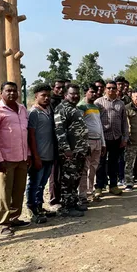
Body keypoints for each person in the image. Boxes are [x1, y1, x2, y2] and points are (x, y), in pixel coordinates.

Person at [0, 82, 30, 237]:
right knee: (5, 192)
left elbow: (25, 133)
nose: (12, 93)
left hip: (22, 158)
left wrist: (29, 154)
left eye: (14, 90)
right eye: (8, 91)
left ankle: (14, 218)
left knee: (19, 190)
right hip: (6, 159)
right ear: (1, 93)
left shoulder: (22, 109)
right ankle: (4, 223)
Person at [54, 84, 91, 217]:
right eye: (72, 94)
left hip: (79, 151)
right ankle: (66, 207)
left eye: (77, 93)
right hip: (70, 152)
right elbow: (59, 130)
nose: (75, 96)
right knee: (67, 179)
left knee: (75, 178)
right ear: (65, 95)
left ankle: (73, 202)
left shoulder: (74, 108)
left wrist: (85, 148)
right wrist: (66, 149)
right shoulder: (61, 109)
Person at [27, 84, 56, 224]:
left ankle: (39, 206)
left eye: (48, 95)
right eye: (43, 95)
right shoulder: (34, 113)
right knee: (34, 184)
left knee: (42, 184)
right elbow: (31, 135)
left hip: (49, 155)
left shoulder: (48, 110)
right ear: (36, 96)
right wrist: (35, 156)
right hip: (39, 156)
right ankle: (32, 210)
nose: (46, 98)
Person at [95, 81, 129, 197]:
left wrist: (125, 138)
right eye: (109, 88)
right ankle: (99, 187)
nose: (111, 90)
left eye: (113, 88)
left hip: (116, 138)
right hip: (103, 138)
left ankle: (113, 186)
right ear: (105, 89)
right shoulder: (98, 102)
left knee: (114, 163)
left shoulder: (121, 103)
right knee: (100, 163)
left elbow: (124, 122)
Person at [77, 84, 106, 204]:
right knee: (85, 168)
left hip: (98, 141)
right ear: (85, 93)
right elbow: (80, 127)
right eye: (91, 92)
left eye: (95, 92)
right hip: (88, 142)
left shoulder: (95, 107)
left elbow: (99, 125)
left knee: (93, 168)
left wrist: (103, 143)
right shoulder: (81, 106)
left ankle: (91, 191)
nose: (94, 94)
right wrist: (84, 143)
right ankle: (83, 195)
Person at [49, 78, 66, 207]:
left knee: (64, 172)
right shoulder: (50, 102)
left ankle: (64, 197)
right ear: (53, 88)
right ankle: (54, 199)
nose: (60, 90)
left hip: (65, 142)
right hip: (53, 142)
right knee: (55, 172)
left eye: (63, 88)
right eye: (58, 87)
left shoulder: (65, 102)